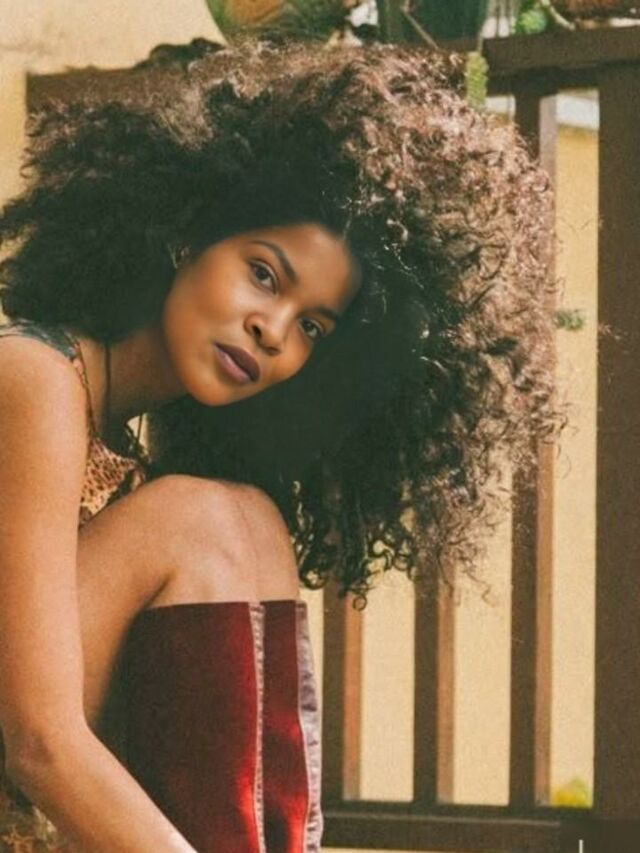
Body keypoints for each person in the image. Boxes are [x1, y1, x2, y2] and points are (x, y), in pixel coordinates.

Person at [0, 34, 562, 853]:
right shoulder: (36, 375)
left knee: (243, 516)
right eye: (263, 274)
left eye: (312, 327)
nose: (272, 330)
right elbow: (38, 738)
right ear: (188, 236)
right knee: (205, 517)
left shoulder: (133, 445)